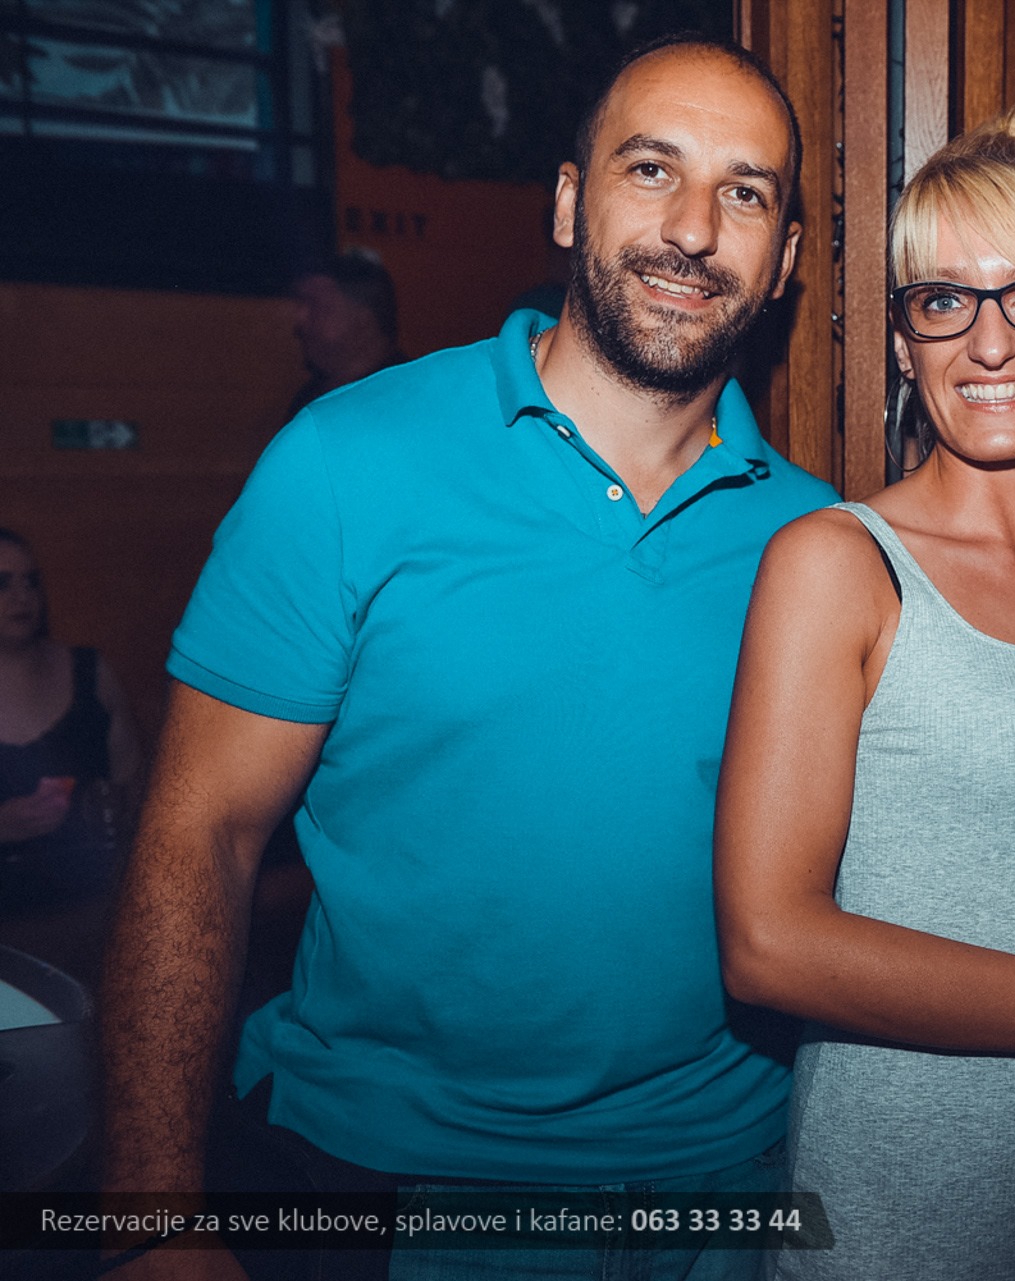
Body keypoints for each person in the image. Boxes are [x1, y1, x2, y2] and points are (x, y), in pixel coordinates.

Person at [100, 35, 834, 1281]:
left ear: (787, 261)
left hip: (731, 1198)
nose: (694, 230)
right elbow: (200, 832)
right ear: (569, 202)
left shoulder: (822, 544)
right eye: (652, 170)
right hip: (400, 1192)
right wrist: (150, 1216)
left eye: (746, 193)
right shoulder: (348, 462)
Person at [715, 107, 1015, 1280]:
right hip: (899, 1235)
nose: (989, 345)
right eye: (944, 302)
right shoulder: (839, 565)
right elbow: (769, 944)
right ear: (905, 343)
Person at [0, 528, 142, 920]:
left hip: (94, 900)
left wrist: (107, 811)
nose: (21, 597)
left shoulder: (90, 673)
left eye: (31, 582)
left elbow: (135, 787)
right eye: (2, 583)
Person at [287, 254, 405, 416]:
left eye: (317, 306)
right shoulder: (309, 399)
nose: (301, 321)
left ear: (364, 320)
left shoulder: (403, 395)